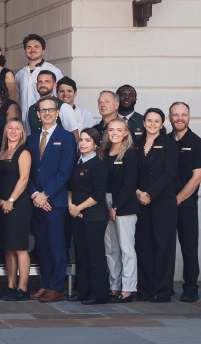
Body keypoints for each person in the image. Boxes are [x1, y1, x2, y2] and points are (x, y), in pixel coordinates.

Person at [27, 97, 77, 302]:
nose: (46, 113)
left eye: (50, 110)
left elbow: (65, 172)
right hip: (36, 202)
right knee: (43, 246)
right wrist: (35, 195)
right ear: (38, 114)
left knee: (57, 246)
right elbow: (28, 172)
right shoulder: (32, 139)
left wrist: (45, 195)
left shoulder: (66, 138)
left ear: (57, 113)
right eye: (43, 110)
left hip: (54, 202)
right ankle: (46, 284)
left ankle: (57, 287)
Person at [136, 108, 178, 303]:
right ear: (144, 123)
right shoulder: (137, 145)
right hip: (141, 202)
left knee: (163, 246)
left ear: (162, 124)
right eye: (149, 120)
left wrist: (150, 194)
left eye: (157, 121)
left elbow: (169, 174)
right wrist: (138, 192)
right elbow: (131, 172)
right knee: (144, 245)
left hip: (163, 202)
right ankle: (145, 289)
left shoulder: (169, 144)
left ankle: (162, 291)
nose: (152, 124)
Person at [170, 102, 201, 302]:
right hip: (163, 206)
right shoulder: (164, 141)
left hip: (186, 205)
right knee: (164, 247)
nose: (179, 118)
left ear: (189, 117)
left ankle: (191, 287)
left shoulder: (197, 143)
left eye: (183, 114)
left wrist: (175, 201)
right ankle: (164, 286)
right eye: (175, 114)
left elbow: (197, 178)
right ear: (170, 117)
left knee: (189, 247)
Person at [67, 128, 109, 305]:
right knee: (81, 255)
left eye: (88, 140)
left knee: (95, 255)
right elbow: (70, 188)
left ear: (96, 144)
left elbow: (99, 194)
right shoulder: (76, 161)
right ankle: (82, 291)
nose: (83, 143)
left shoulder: (99, 165)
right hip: (76, 214)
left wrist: (79, 208)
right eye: (81, 140)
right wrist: (71, 206)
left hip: (94, 216)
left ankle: (99, 294)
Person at [102, 118, 139, 303]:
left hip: (123, 206)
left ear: (126, 133)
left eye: (119, 130)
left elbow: (129, 184)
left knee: (126, 249)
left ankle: (128, 289)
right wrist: (107, 206)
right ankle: (114, 286)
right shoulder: (105, 152)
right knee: (111, 249)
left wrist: (115, 207)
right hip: (106, 203)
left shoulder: (130, 154)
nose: (114, 133)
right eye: (111, 130)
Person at [0, 118, 33, 301]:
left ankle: (23, 288)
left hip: (18, 205)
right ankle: (11, 285)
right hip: (2, 204)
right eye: (9, 127)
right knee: (8, 248)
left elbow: (24, 179)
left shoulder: (23, 151)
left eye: (16, 128)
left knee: (19, 248)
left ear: (22, 132)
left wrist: (11, 200)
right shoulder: (2, 151)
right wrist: (0, 200)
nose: (12, 131)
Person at [14, 34, 63, 127]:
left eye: (36, 47)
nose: (32, 50)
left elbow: (60, 96)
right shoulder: (20, 74)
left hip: (47, 120)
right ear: (25, 50)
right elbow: (17, 100)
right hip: (25, 124)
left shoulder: (53, 71)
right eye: (29, 47)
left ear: (43, 50)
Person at [25, 70, 79, 135]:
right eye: (40, 82)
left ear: (54, 85)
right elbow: (29, 137)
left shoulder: (64, 107)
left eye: (47, 82)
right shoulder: (31, 109)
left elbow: (74, 137)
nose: (43, 85)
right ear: (36, 85)